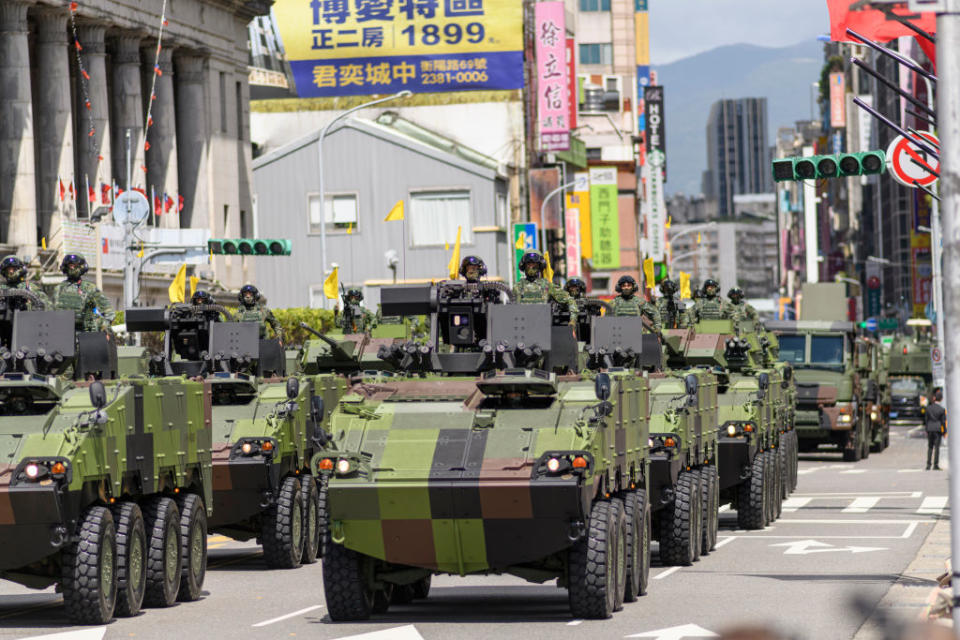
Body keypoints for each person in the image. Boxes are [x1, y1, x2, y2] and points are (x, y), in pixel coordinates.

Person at [53, 253, 114, 331]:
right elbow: (52, 313)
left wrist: (103, 328)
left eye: (74, 265)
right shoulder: (58, 289)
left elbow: (109, 312)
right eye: (70, 265)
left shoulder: (89, 288)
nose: (72, 268)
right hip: (64, 333)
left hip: (85, 334)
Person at [512, 251, 577, 324]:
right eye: (528, 264)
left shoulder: (547, 286)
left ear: (540, 265)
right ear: (524, 265)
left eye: (534, 264)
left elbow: (570, 301)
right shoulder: (517, 287)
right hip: (521, 328)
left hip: (543, 328)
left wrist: (573, 320)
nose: (531, 266)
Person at [924, 387, 947, 470]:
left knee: (930, 447)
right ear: (941, 399)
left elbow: (926, 420)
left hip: (930, 429)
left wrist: (926, 429)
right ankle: (935, 465)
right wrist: (944, 432)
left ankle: (928, 465)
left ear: (934, 398)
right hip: (937, 429)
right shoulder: (942, 410)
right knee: (937, 447)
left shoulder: (928, 408)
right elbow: (943, 422)